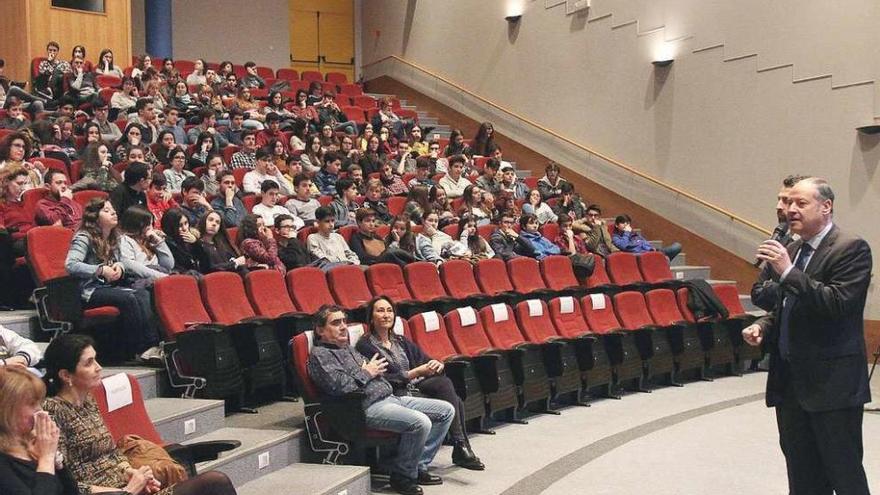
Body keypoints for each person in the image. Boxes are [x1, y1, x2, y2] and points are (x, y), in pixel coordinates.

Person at [742, 177, 872, 495]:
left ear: (826, 207)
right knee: (802, 477)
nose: (790, 210)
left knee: (844, 474)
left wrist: (787, 272)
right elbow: (788, 305)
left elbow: (837, 304)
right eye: (789, 204)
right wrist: (765, 326)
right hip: (791, 384)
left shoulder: (850, 247)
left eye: (801, 203)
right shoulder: (794, 248)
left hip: (832, 385)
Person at [42, 334, 239, 495]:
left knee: (215, 482)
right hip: (112, 493)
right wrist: (125, 490)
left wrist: (133, 473)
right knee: (213, 483)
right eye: (89, 363)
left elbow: (111, 454)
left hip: (129, 487)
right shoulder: (53, 411)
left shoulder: (88, 401)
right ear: (66, 375)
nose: (99, 367)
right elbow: (63, 482)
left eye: (96, 359)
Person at [308, 304, 454, 495]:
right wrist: (366, 372)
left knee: (446, 411)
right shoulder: (321, 355)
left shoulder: (348, 349)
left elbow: (371, 372)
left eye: (344, 321)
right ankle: (402, 476)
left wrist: (367, 372)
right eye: (336, 323)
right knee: (421, 423)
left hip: (390, 397)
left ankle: (417, 466)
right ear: (320, 330)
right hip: (364, 408)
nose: (343, 326)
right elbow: (339, 386)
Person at [357, 296, 485, 471]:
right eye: (380, 311)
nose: (386, 315)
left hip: (415, 385)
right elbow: (383, 379)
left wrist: (436, 364)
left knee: (446, 386)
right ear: (371, 318)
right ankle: (459, 447)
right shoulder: (366, 345)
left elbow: (424, 359)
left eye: (389, 311)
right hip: (395, 392)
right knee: (454, 399)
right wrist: (413, 373)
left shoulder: (400, 340)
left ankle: (459, 446)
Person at [65, 199, 161, 361]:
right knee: (130, 297)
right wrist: (100, 270)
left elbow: (120, 262)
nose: (113, 213)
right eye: (107, 211)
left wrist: (119, 267)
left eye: (113, 210)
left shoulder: (113, 237)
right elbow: (71, 265)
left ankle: (153, 345)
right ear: (95, 217)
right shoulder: (83, 237)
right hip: (89, 290)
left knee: (143, 293)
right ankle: (141, 349)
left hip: (109, 286)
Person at [0, 366, 78, 495]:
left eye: (40, 402)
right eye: (32, 404)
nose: (40, 410)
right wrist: (46, 459)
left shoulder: (33, 443)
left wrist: (56, 461)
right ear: (5, 409)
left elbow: (73, 492)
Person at [751, 174, 810, 312]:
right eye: (779, 200)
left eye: (786, 201)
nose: (778, 206)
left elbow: (815, 296)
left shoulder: (824, 246)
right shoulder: (780, 242)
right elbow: (757, 294)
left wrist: (773, 287)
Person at [349, 208, 415, 266]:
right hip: (374, 265)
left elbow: (386, 251)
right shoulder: (356, 238)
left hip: (388, 263)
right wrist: (383, 256)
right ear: (359, 222)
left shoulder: (377, 237)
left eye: (373, 221)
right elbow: (363, 258)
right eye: (368, 221)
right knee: (391, 253)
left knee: (393, 254)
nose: (372, 224)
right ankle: (411, 263)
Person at [611, 214, 681, 261]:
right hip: (641, 256)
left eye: (628, 223)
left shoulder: (634, 234)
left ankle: (661, 260)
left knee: (677, 246)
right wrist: (627, 232)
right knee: (665, 260)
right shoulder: (615, 238)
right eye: (623, 222)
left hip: (652, 252)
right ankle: (662, 262)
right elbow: (623, 245)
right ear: (617, 225)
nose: (626, 225)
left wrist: (651, 249)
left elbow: (644, 242)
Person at [160, 208, 202, 273]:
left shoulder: (193, 239)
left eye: (186, 223)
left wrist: (196, 243)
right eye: (180, 225)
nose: (184, 228)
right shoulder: (167, 243)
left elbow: (205, 263)